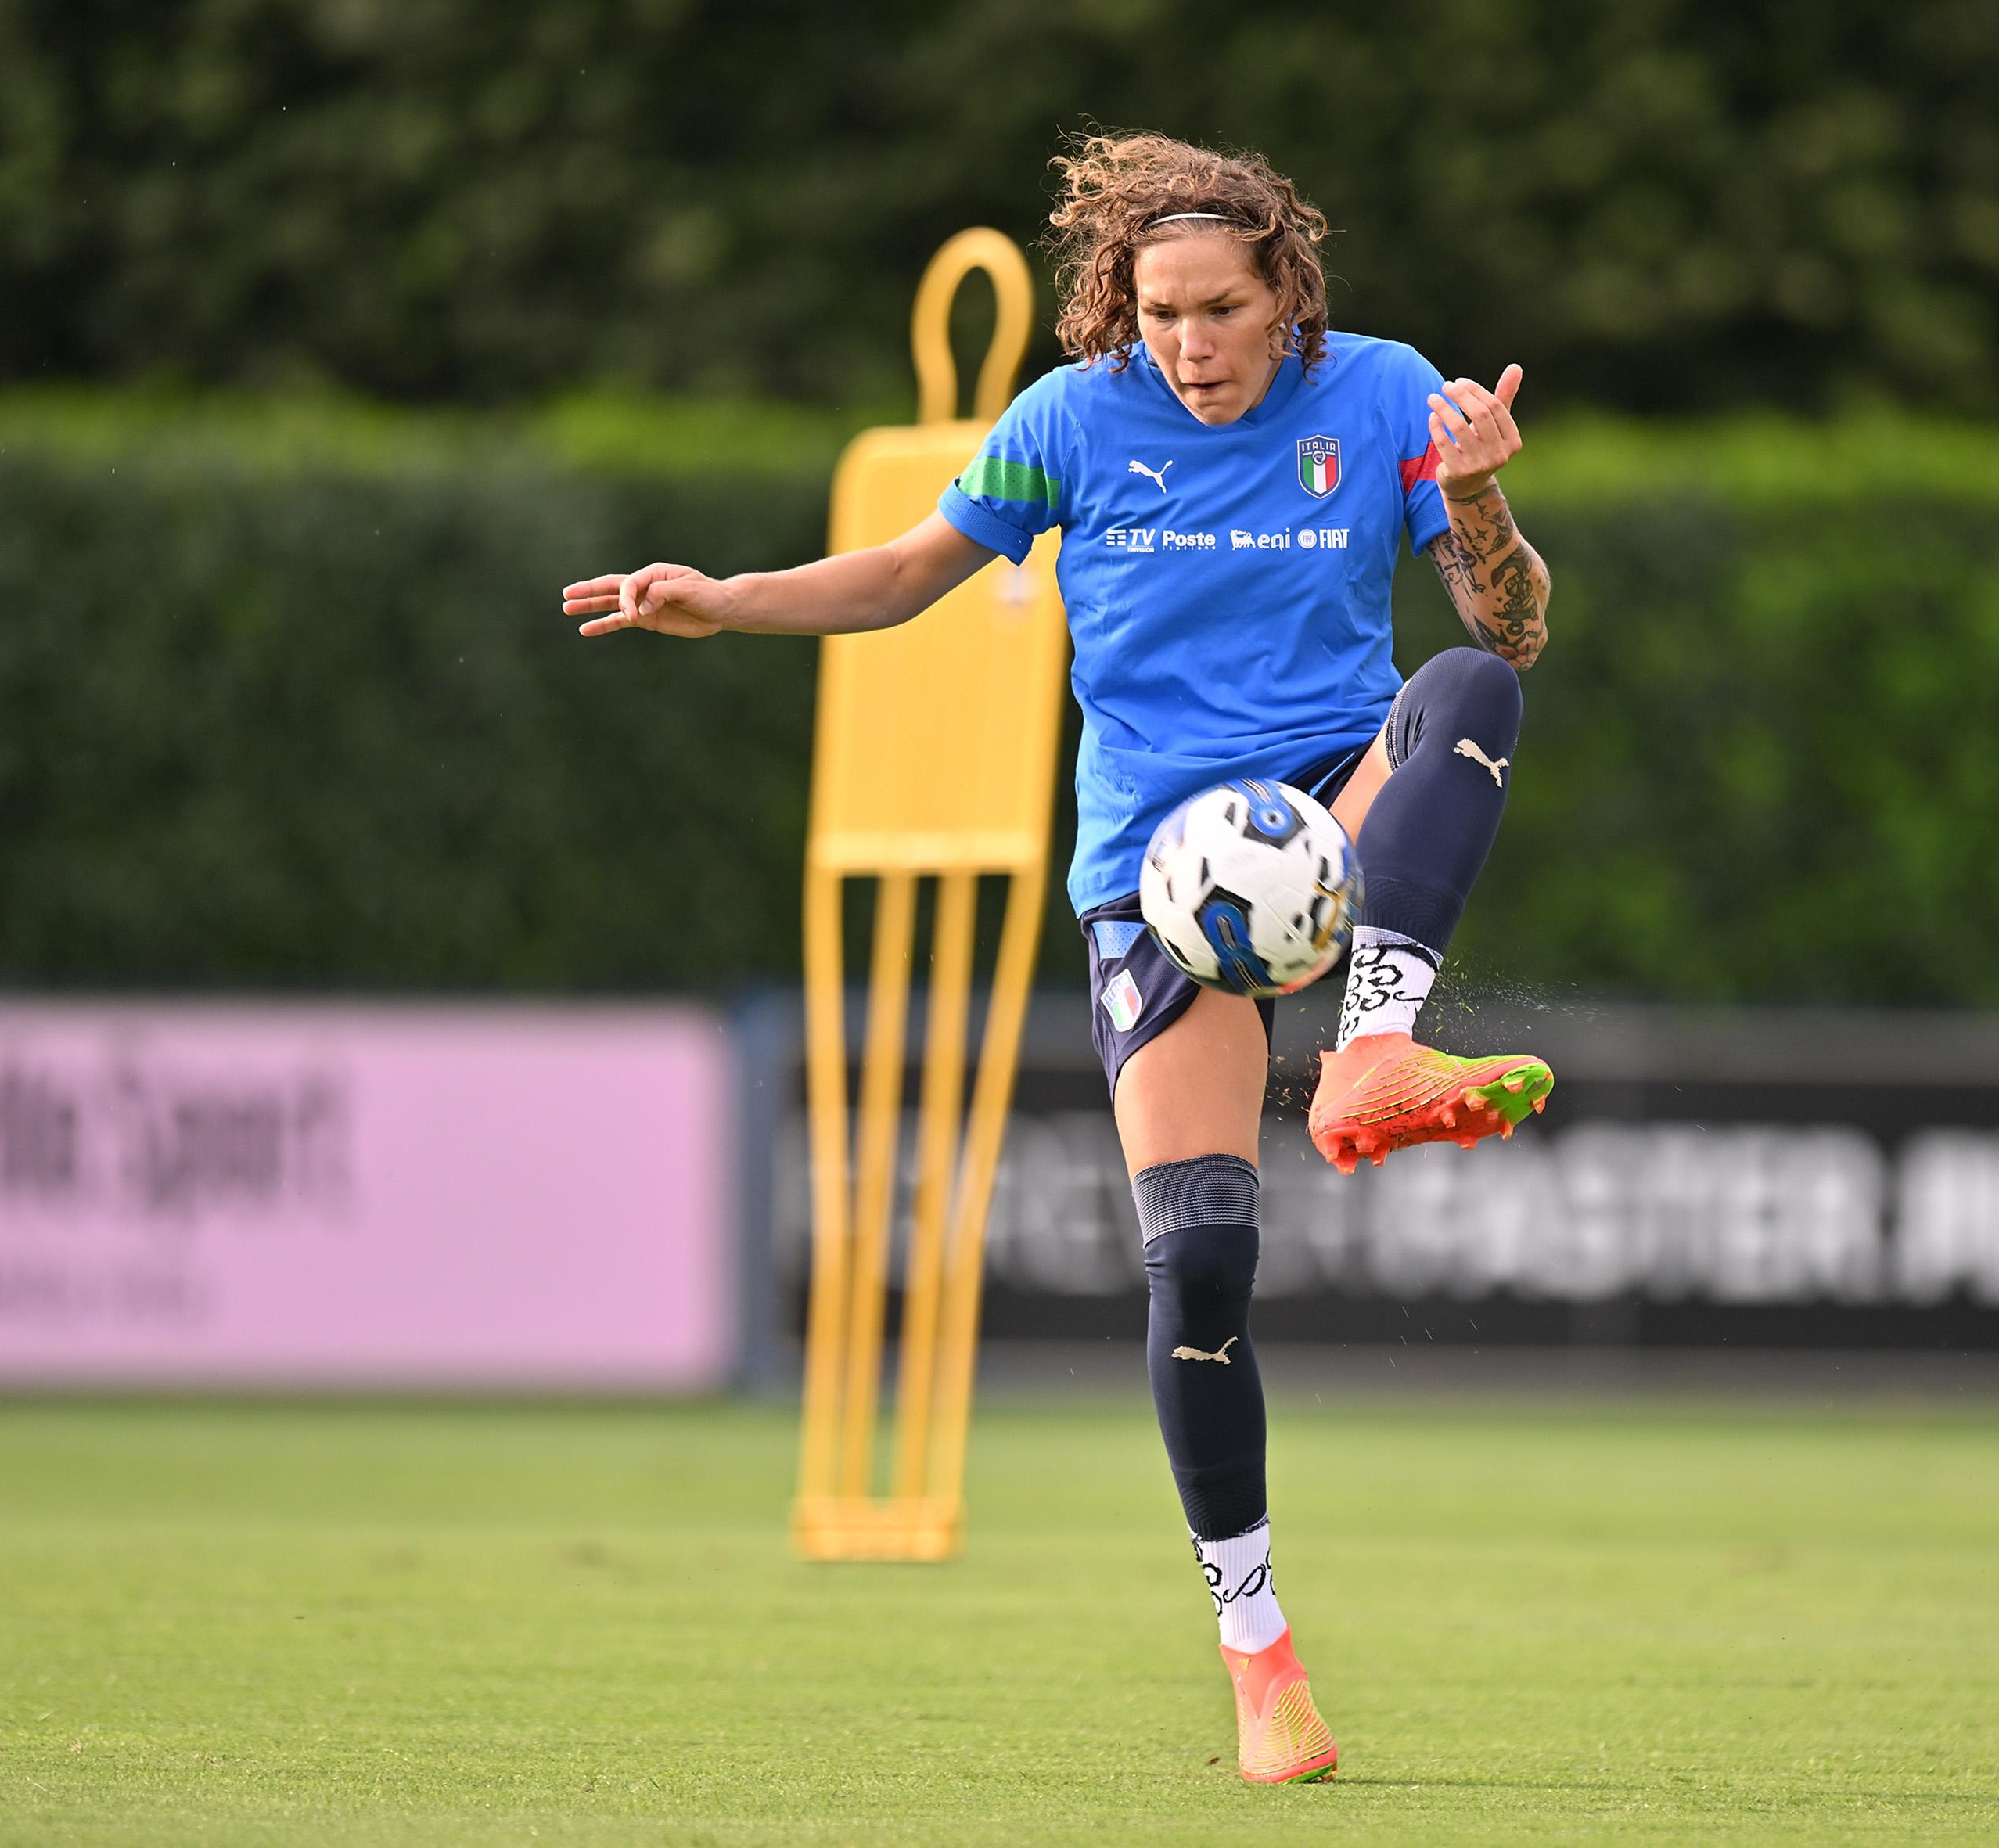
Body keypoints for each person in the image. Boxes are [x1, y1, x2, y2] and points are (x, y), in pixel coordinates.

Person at [561, 132, 1555, 1784]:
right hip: (1154, 885)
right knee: (1201, 1275)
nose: (1188, 344)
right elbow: (897, 578)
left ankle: (1373, 1037)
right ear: (1122, 302)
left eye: (1221, 310)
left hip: (1332, 802)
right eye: (1158, 311)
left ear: (1284, 292)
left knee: (1473, 693)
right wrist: (723, 600)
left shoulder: (1386, 396)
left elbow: (1509, 619)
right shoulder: (1070, 418)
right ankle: (1254, 1644)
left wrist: (1476, 489)